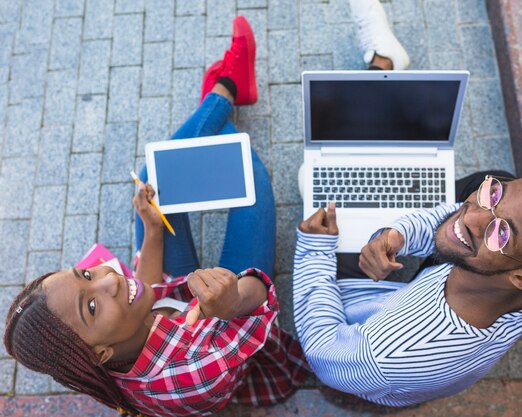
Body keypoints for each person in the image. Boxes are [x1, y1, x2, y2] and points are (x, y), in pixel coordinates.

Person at [4, 16, 308, 417]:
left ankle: (224, 93)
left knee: (154, 177)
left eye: (86, 275)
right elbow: (260, 307)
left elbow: (146, 284)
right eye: (91, 306)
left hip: (180, 295)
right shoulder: (191, 373)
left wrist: (152, 230)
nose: (109, 279)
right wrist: (231, 300)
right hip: (228, 315)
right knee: (244, 168)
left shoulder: (111, 341)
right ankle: (224, 93)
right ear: (101, 353)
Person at [292, 161, 522, 406]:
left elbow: (323, 351)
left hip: (370, 346)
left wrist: (313, 250)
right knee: (481, 189)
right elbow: (452, 218)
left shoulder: (385, 354)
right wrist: (396, 235)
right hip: (416, 309)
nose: (472, 215)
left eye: (502, 232)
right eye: (495, 194)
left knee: (320, 208)